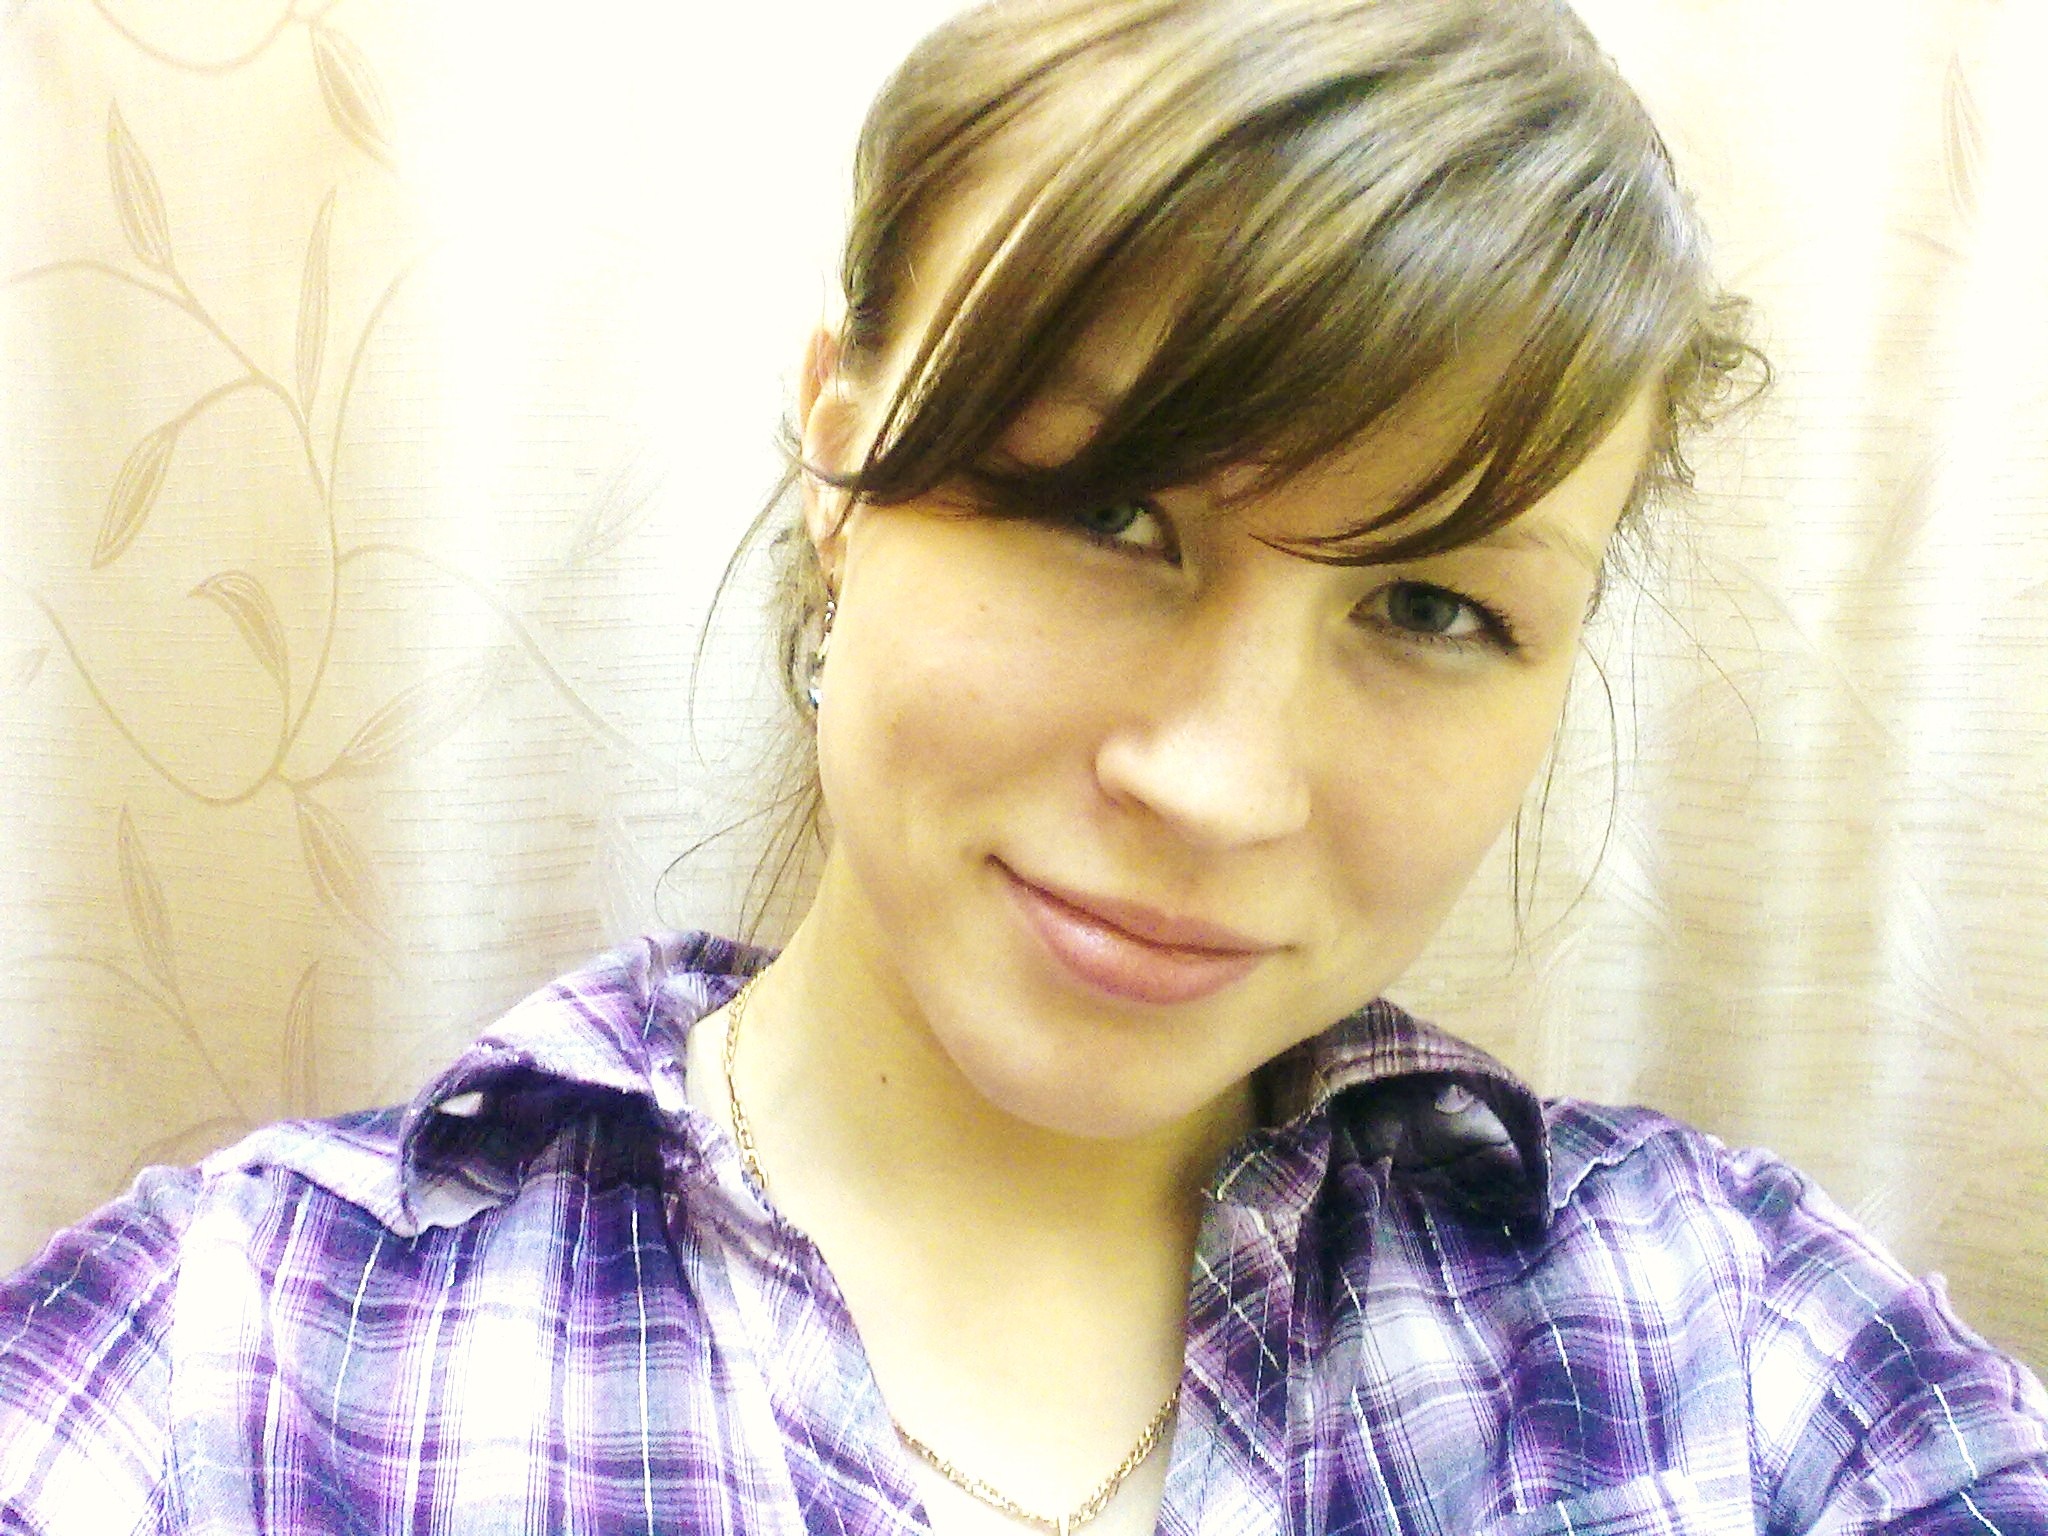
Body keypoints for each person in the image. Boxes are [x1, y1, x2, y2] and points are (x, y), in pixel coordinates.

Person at [4, 0, 2045, 1531]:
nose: (1219, 785)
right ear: (838, 453)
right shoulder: (238, 1372)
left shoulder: (1735, 1347)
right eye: (1105, 510)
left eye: (1432, 607)